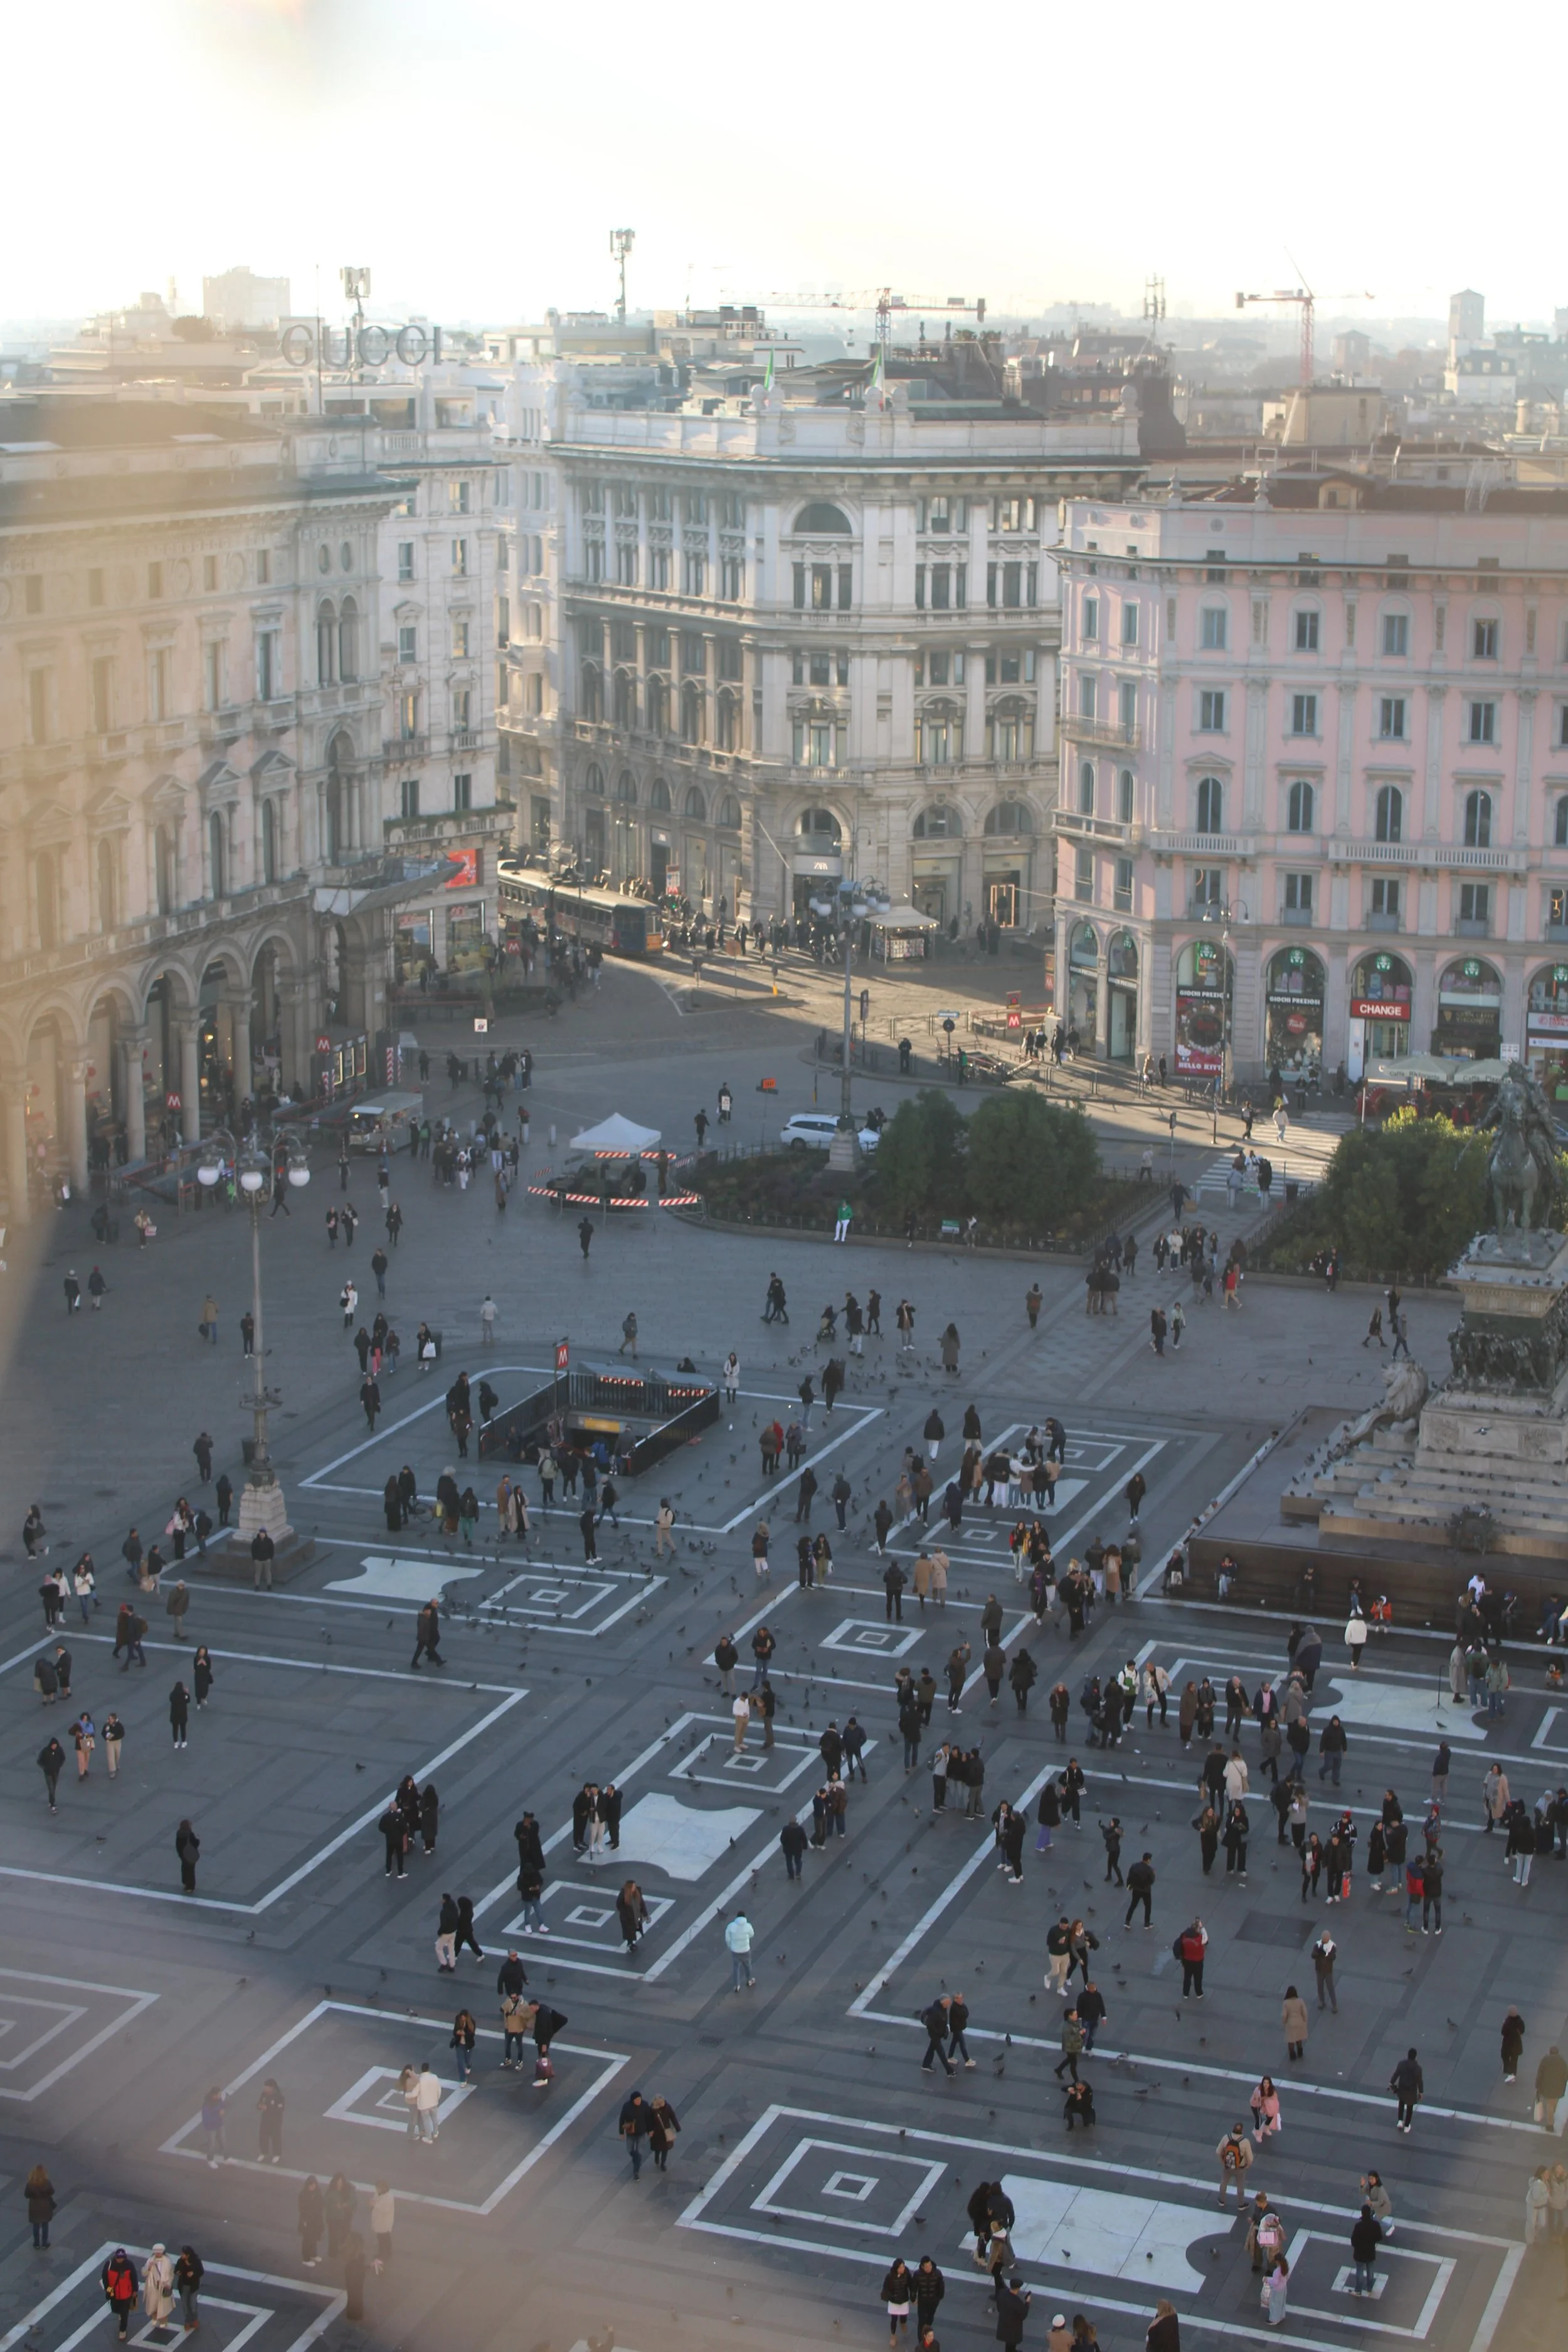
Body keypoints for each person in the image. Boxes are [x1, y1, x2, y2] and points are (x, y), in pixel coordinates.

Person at [1350, 2205, 1383, 2296]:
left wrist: (1357, 2246)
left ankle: (1358, 2290)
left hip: (1360, 2253)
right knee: (1370, 2270)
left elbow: (1354, 2240)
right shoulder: (1375, 2225)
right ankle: (1369, 2288)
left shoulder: (1358, 2226)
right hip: (1370, 2252)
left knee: (1360, 2271)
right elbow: (1379, 2237)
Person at [1390, 2047, 1423, 2132]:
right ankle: (1407, 2126)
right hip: (1411, 2091)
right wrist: (1421, 2092)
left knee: (1401, 2103)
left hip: (1402, 2088)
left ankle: (1400, 2121)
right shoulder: (1418, 2069)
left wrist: (1392, 2083)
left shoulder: (1402, 2064)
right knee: (1410, 2108)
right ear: (1415, 2057)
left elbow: (1396, 2074)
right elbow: (1420, 2082)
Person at [24, 2163, 55, 2249]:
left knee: (36, 2224)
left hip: (34, 2205)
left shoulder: (30, 2184)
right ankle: (45, 2243)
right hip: (45, 2204)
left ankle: (37, 2243)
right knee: (45, 2224)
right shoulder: (47, 2183)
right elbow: (52, 2192)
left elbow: (26, 2195)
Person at [724, 1909, 755, 1990]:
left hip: (735, 1950)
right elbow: (752, 1934)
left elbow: (727, 1938)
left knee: (736, 1968)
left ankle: (737, 1985)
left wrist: (730, 1946)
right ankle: (749, 1980)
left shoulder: (731, 1926)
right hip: (746, 1950)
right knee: (748, 1966)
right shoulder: (748, 1926)